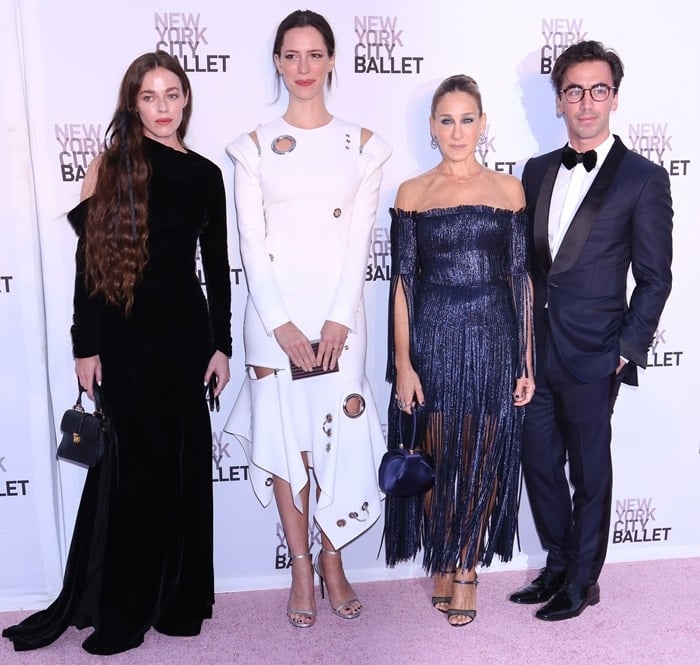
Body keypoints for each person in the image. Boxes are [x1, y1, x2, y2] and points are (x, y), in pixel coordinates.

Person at [3, 51, 232, 654]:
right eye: (149, 96)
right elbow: (90, 268)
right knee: (134, 476)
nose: (162, 108)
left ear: (186, 100)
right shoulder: (112, 165)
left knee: (181, 470)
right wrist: (86, 346)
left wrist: (222, 346)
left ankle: (176, 601)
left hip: (186, 339)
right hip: (126, 342)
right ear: (133, 103)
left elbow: (217, 271)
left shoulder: (207, 174)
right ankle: (124, 610)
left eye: (172, 95)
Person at [223, 10, 391, 629]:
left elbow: (359, 242)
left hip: (340, 323)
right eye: (291, 56)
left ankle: (333, 559)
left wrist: (339, 321)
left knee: (339, 445)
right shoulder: (253, 146)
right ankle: (300, 567)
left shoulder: (364, 145)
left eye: (314, 54)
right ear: (276, 61)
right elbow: (250, 240)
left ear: (331, 60)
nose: (303, 68)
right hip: (274, 324)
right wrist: (282, 326)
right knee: (287, 444)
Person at [509, 40, 673, 621]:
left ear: (614, 98)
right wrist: (518, 343)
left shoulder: (642, 179)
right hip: (534, 352)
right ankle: (555, 564)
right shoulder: (534, 171)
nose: (586, 102)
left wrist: (626, 350)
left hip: (595, 352)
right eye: (574, 90)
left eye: (597, 90)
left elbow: (655, 278)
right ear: (558, 100)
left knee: (590, 470)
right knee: (538, 462)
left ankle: (583, 580)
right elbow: (528, 268)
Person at [385, 74, 534, 627]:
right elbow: (401, 286)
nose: (456, 130)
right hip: (434, 339)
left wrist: (526, 361)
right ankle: (446, 556)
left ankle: (466, 567)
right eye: (445, 120)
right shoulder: (412, 193)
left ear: (483, 124)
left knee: (482, 455)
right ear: (431, 127)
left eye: (467, 118)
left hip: (494, 338)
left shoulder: (508, 190)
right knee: (439, 455)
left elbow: (521, 282)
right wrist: (403, 364)